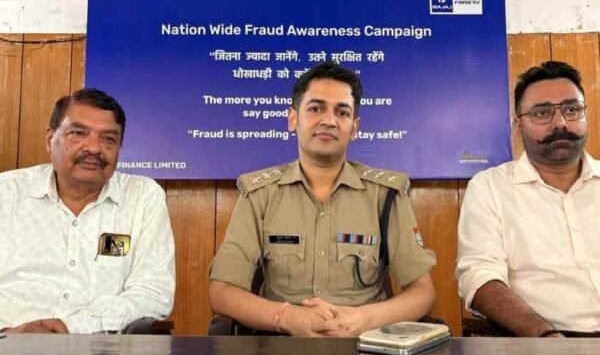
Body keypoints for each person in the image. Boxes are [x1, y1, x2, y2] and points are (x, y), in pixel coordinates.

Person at [209, 62, 436, 337]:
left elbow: (423, 292)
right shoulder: (260, 194)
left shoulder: (385, 194)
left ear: (354, 127)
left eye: (342, 112)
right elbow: (221, 292)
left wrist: (363, 319)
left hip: (364, 343)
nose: (329, 120)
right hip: (279, 343)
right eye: (316, 108)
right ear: (293, 119)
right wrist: (287, 317)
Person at [0, 88, 175, 334]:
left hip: (96, 346)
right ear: (50, 139)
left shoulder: (141, 197)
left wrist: (73, 327)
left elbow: (154, 292)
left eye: (108, 139)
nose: (94, 148)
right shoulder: (6, 192)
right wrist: (10, 333)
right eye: (78, 133)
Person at [456, 60, 600, 337]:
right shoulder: (490, 188)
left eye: (572, 110)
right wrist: (545, 337)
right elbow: (479, 276)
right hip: (541, 341)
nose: (560, 123)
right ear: (519, 125)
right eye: (542, 113)